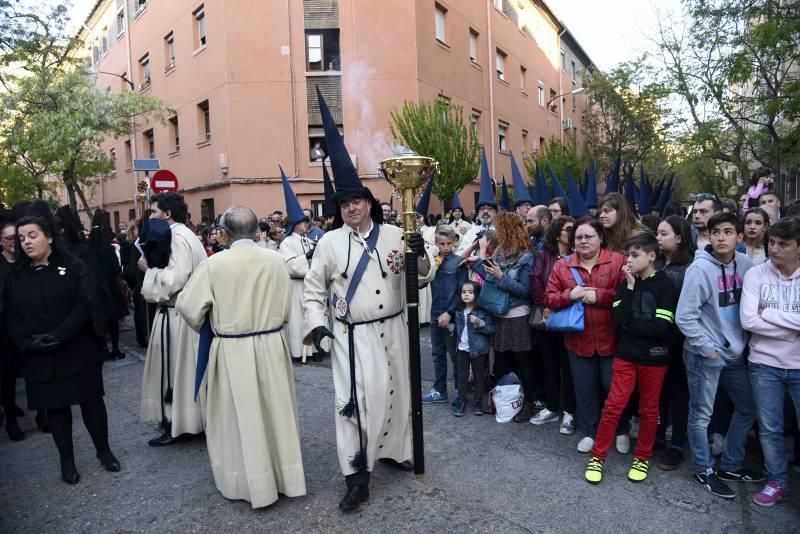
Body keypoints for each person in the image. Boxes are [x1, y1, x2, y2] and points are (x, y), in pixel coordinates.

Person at [302, 89, 434, 512]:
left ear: (369, 204)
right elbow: (312, 289)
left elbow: (424, 274)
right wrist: (317, 323)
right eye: (344, 203)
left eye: (356, 201)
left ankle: (396, 450)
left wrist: (421, 254)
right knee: (357, 403)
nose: (350, 208)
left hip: (395, 325)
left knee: (398, 390)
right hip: (352, 336)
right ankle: (356, 475)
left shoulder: (396, 234)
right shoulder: (328, 243)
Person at [176, 206, 306, 508]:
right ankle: (286, 478)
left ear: (225, 232)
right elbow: (287, 305)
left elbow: (188, 307)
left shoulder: (214, 265)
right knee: (276, 413)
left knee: (239, 419)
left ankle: (249, 483)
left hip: (233, 348)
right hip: (272, 343)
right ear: (256, 231)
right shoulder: (275, 261)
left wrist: (210, 323)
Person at [3, 215, 120, 484]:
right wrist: (27, 342)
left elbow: (85, 302)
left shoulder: (72, 266)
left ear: (50, 236)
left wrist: (60, 334)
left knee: (91, 403)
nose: (26, 242)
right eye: (22, 238)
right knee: (56, 410)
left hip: (76, 349)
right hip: (39, 356)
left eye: (32, 235)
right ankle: (66, 461)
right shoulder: (16, 276)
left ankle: (104, 451)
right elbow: (10, 315)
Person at [675, 212, 764, 500]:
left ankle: (730, 464)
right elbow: (684, 318)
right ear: (709, 236)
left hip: (735, 354)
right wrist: (708, 349)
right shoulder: (699, 270)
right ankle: (704, 468)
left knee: (748, 407)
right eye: (716, 232)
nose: (722, 237)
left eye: (728, 231)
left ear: (740, 236)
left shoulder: (747, 265)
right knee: (701, 415)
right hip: (706, 354)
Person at [584, 233, 678, 484]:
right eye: (628, 254)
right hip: (626, 356)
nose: (629, 260)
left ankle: (642, 457)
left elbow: (662, 327)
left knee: (649, 410)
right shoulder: (626, 283)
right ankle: (597, 457)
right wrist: (629, 289)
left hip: (654, 359)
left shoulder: (665, 285)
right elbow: (617, 320)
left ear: (651, 256)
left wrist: (631, 326)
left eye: (635, 255)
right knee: (613, 406)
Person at [544, 217, 628, 454]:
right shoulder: (563, 265)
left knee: (613, 388)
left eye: (588, 236)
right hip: (577, 342)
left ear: (600, 237)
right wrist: (570, 294)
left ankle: (620, 428)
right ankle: (590, 432)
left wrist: (599, 297)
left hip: (611, 340)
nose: (583, 241)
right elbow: (549, 298)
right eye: (579, 237)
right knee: (585, 390)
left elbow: (627, 296)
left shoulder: (617, 261)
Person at [139, 193, 208, 446]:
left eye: (154, 212)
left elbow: (173, 281)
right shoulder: (187, 234)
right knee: (188, 373)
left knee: (176, 373)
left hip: (178, 315)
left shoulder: (176, 237)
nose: (152, 217)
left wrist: (148, 270)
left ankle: (178, 426)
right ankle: (192, 422)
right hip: (184, 315)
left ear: (167, 214)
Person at [740, 217, 800, 507]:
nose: (775, 249)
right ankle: (777, 480)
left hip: (799, 365)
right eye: (772, 243)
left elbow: (761, 317)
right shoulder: (756, 274)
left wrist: (770, 314)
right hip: (764, 364)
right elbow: (748, 320)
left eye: (783, 244)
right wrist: (794, 329)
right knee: (770, 428)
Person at [465, 212, 535, 422]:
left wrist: (501, 277)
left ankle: (529, 403)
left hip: (518, 317)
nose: (496, 233)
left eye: (499, 229)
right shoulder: (501, 253)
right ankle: (503, 399)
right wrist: (478, 263)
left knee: (523, 362)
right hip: (500, 315)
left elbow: (525, 291)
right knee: (502, 362)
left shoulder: (526, 256)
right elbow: (489, 279)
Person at [654, 215, 695, 471]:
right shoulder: (655, 263)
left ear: (679, 238)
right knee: (658, 392)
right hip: (654, 340)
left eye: (663, 233)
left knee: (679, 394)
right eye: (657, 233)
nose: (658, 237)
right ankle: (657, 437)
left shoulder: (691, 268)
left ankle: (678, 446)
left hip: (678, 343)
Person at [529, 217, 576, 433]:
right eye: (569, 230)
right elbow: (536, 280)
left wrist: (559, 304)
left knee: (569, 367)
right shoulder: (543, 255)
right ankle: (552, 406)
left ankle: (569, 411)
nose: (574, 233)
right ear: (558, 233)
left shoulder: (577, 256)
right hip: (547, 317)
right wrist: (545, 306)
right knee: (549, 364)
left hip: (570, 318)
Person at [422, 226, 467, 405]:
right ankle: (439, 390)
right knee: (437, 354)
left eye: (449, 243)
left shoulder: (459, 262)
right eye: (442, 244)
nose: (446, 247)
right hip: (435, 313)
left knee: (455, 355)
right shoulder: (433, 261)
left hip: (451, 316)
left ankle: (459, 391)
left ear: (454, 242)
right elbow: (422, 281)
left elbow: (461, 292)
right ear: (436, 243)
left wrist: (450, 313)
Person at [278, 167, 315, 362]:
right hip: (295, 287)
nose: (306, 224)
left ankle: (314, 349)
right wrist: (306, 258)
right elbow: (289, 266)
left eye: (307, 221)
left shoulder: (308, 240)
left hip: (309, 285)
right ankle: (298, 351)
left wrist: (314, 256)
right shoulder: (286, 243)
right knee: (297, 321)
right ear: (295, 223)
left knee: (311, 315)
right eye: (303, 222)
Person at [88, 210, 128, 361]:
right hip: (110, 286)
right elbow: (116, 269)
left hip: (95, 286)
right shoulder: (109, 248)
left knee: (101, 320)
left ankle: (102, 349)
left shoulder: (89, 247)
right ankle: (115, 349)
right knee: (113, 321)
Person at [452, 281, 495, 416]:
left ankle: (478, 401)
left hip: (478, 349)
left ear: (477, 294)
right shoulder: (459, 310)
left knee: (479, 376)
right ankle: (461, 401)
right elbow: (458, 329)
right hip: (462, 348)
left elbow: (491, 329)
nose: (466, 295)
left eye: (470, 292)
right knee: (462, 376)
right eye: (464, 292)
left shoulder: (483, 311)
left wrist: (480, 323)